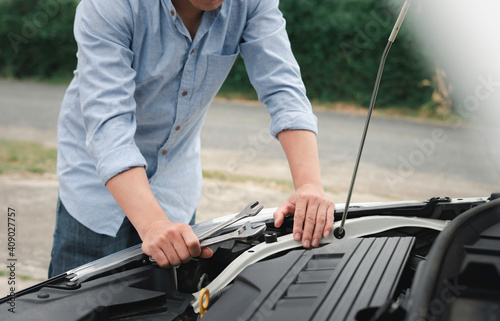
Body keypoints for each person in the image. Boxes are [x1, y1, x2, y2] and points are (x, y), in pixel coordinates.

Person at [49, 0, 335, 277]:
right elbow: (109, 123)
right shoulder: (111, 4)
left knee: (170, 308)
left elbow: (283, 90)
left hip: (174, 187)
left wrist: (309, 185)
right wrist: (153, 224)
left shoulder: (252, 3)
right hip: (95, 188)